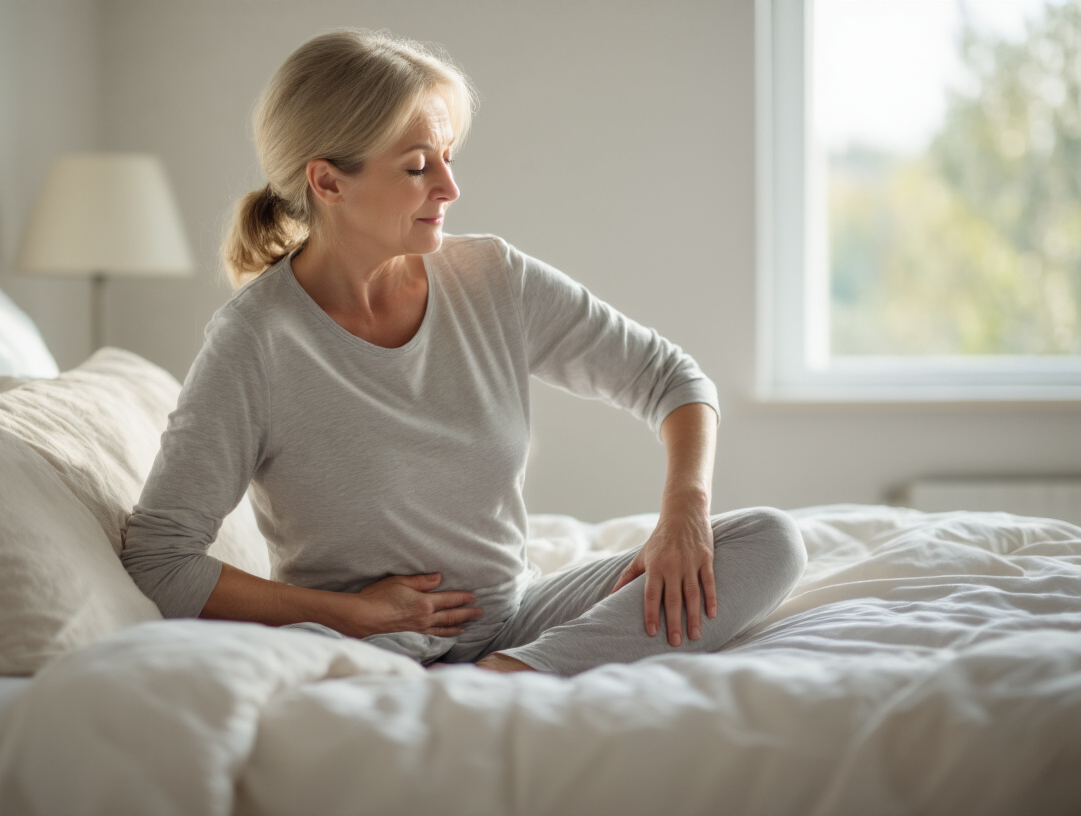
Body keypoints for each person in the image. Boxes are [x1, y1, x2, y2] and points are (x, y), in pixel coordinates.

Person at [120, 28, 807, 677]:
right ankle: (507, 678)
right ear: (328, 183)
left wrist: (681, 516)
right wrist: (350, 613)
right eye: (418, 167)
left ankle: (507, 676)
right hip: (366, 646)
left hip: (514, 622)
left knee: (768, 542)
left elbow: (672, 379)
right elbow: (161, 559)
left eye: (448, 159)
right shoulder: (256, 341)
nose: (450, 190)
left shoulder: (493, 279)